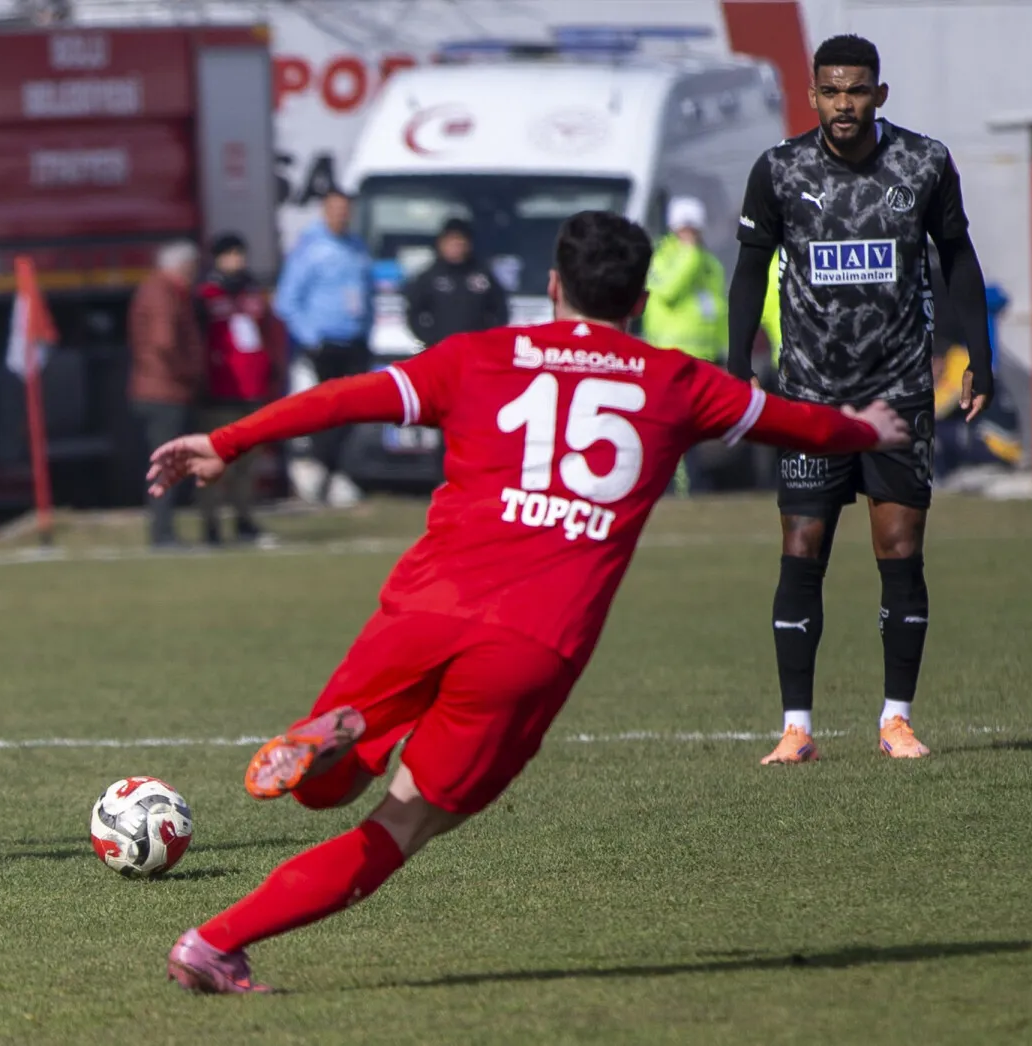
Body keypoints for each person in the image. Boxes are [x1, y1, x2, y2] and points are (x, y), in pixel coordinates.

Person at [146, 211, 911, 993]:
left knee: (324, 791)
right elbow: (797, 426)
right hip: (527, 642)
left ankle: (336, 744)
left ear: (552, 287)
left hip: (422, 606)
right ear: (641, 300)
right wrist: (866, 429)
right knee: (404, 823)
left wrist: (227, 442)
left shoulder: (477, 357)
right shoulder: (676, 382)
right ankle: (214, 943)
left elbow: (344, 399)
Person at [724, 34, 995, 765]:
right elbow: (750, 271)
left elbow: (959, 259)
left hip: (900, 390)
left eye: (858, 90)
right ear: (813, 95)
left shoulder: (924, 163)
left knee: (899, 549)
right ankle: (796, 728)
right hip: (811, 398)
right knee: (801, 549)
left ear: (879, 94)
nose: (845, 103)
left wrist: (981, 359)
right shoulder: (779, 170)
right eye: (832, 90)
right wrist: (735, 364)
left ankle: (896, 720)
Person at [273, 190, 372, 504]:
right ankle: (322, 474)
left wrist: (365, 332)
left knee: (353, 412)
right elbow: (286, 301)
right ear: (324, 211)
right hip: (324, 343)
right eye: (335, 209)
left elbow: (366, 294)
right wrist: (311, 337)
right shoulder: (311, 248)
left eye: (346, 210)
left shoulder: (356, 247)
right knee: (328, 411)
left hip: (353, 341)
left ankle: (334, 472)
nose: (341, 215)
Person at [195, 232, 284, 546]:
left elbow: (269, 332)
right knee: (216, 462)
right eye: (230, 254)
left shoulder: (252, 293)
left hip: (253, 389)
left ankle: (244, 519)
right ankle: (211, 524)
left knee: (248, 464)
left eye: (240, 254)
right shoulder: (205, 295)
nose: (237, 260)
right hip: (219, 390)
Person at [644, 197, 730, 495]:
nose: (690, 234)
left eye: (694, 228)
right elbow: (668, 291)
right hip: (672, 355)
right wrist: (689, 255)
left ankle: (691, 483)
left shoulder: (710, 263)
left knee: (698, 428)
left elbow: (716, 310)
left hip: (706, 357)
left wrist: (721, 351)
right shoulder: (663, 257)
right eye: (685, 227)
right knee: (675, 425)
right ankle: (682, 488)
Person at [128, 240, 206, 547]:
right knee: (166, 466)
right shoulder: (164, 293)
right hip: (164, 392)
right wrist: (190, 371)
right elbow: (164, 342)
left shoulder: (155, 289)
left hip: (155, 389)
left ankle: (164, 531)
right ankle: (162, 533)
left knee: (165, 464)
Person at [403, 217, 508, 347]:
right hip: (441, 350)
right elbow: (413, 312)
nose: (456, 247)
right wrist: (429, 339)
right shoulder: (429, 277)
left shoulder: (483, 275)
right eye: (451, 242)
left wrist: (488, 338)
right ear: (441, 244)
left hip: (476, 349)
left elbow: (500, 309)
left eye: (460, 242)